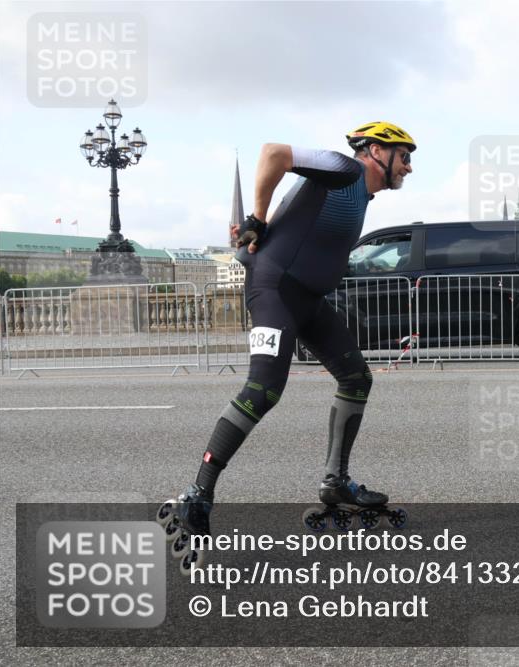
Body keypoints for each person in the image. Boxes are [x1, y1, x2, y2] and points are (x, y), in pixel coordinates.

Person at [166, 122, 416, 551]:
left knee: (357, 377)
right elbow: (273, 153)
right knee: (263, 390)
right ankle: (197, 494)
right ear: (377, 151)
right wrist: (257, 219)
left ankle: (335, 481)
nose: (408, 167)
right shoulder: (345, 168)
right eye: (404, 157)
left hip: (309, 300)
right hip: (276, 291)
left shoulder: (361, 194)